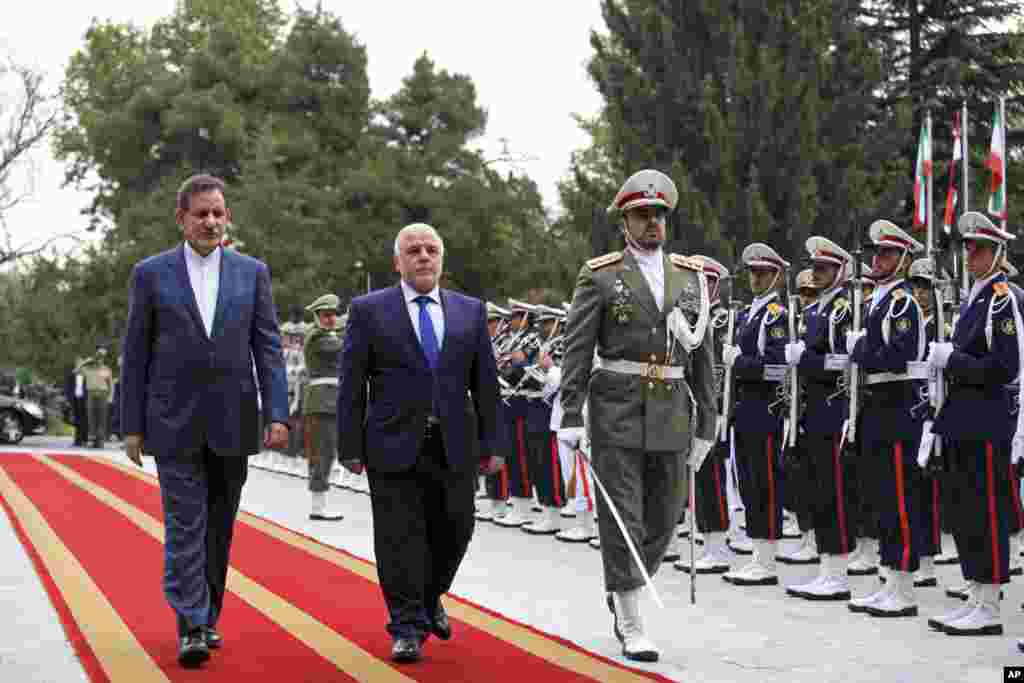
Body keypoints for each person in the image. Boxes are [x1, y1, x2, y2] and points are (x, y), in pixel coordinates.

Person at [120, 174, 289, 668]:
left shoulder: (252, 272)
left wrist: (277, 412)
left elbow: (269, 348)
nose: (211, 221)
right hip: (172, 422)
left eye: (218, 212)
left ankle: (208, 613)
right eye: (201, 213)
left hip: (234, 419)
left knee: (219, 527)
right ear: (182, 219)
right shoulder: (151, 274)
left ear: (227, 216)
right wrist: (132, 424)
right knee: (185, 524)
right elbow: (135, 353)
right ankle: (191, 622)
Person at [559, 169, 715, 662]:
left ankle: (622, 583)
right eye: (642, 215)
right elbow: (577, 348)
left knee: (665, 517)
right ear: (624, 220)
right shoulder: (601, 274)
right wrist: (570, 413)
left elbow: (704, 356)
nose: (652, 223)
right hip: (617, 409)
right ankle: (630, 616)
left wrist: (708, 422)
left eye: (659, 215)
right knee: (622, 516)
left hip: (671, 411)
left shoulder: (691, 277)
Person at [337, 222, 502, 663]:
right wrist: (348, 445)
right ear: (398, 262)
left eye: (431, 249)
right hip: (392, 441)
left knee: (457, 527)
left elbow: (485, 382)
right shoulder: (369, 310)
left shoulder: (470, 311)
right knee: (398, 537)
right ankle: (407, 626)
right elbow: (352, 382)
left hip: (455, 443)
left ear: (441, 259)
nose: (423, 256)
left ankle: (430, 599)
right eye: (413, 250)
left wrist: (495, 442)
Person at [926, 211, 1020, 637]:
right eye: (966, 247)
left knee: (985, 511)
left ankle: (990, 603)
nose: (969, 255)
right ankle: (975, 591)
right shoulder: (975, 297)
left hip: (985, 421)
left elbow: (1006, 366)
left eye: (978, 248)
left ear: (997, 252)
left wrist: (953, 360)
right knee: (964, 511)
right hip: (962, 421)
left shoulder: (1002, 298)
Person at [845, 219, 926, 618]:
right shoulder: (879, 300)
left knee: (899, 498)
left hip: (897, 407)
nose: (878, 259)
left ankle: (904, 588)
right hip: (877, 406)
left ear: (904, 259)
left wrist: (860, 350)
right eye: (877, 253)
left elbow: (899, 356)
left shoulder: (902, 303)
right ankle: (889, 578)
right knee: (881, 498)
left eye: (888, 253)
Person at [783, 236, 857, 599]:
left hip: (833, 411)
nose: (817, 273)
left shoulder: (843, 308)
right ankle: (827, 568)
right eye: (815, 267)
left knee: (834, 493)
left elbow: (844, 362)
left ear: (840, 270)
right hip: (812, 412)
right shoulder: (815, 311)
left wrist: (806, 360)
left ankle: (837, 573)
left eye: (824, 268)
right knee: (817, 492)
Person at [720, 243, 789, 588]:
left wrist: (740, 363)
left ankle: (767, 559)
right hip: (744, 410)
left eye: (762, 273)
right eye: (752, 272)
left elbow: (777, 369)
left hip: (764, 410)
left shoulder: (776, 315)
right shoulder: (748, 313)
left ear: (776, 275)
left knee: (765, 484)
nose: (756, 278)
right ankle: (757, 552)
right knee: (748, 482)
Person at [303, 293, 345, 521]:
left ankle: (319, 506)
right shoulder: (318, 338)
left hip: (329, 401)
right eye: (326, 315)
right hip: (321, 403)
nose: (330, 319)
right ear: (317, 316)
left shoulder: (325, 335)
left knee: (327, 453)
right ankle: (318, 508)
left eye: (333, 315)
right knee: (322, 454)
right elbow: (344, 346)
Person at [79, 345, 114, 447]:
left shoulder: (106, 369)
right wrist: (85, 361)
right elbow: (76, 371)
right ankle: (92, 439)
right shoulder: (88, 369)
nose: (100, 360)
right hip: (91, 393)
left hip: (103, 394)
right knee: (91, 416)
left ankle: (100, 440)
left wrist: (110, 397)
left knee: (102, 418)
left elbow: (110, 384)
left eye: (102, 358)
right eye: (98, 357)